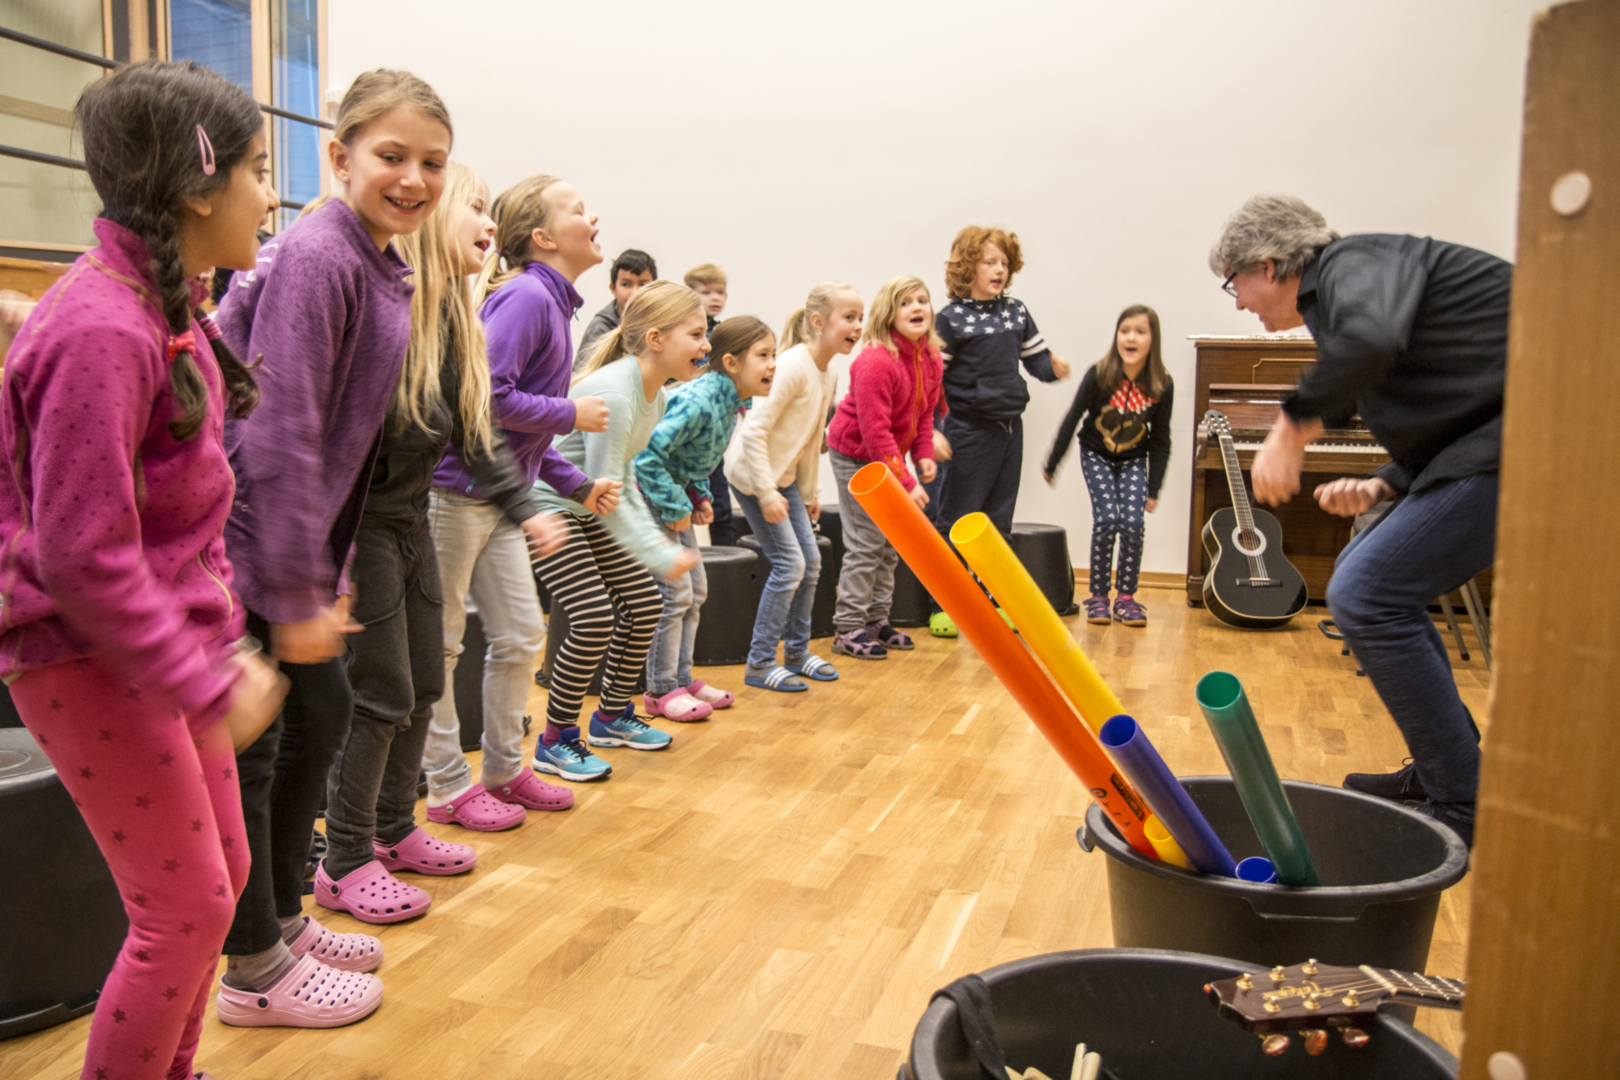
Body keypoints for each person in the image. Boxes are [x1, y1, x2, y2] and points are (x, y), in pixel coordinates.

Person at [0, 60, 285, 1079]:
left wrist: (209, 643)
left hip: (150, 649)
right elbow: (80, 555)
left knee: (224, 876)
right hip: (83, 656)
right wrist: (205, 671)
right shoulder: (100, 326)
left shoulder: (155, 303)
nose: (271, 194)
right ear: (197, 186)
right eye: (258, 169)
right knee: (184, 911)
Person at [213, 68, 452, 1027]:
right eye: (391, 156)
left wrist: (324, 572)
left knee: (320, 714)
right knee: (264, 744)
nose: (413, 178)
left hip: (298, 544)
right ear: (340, 153)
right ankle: (254, 969)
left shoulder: (374, 253)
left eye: (431, 162)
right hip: (252, 538)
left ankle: (279, 914)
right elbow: (279, 433)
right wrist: (297, 584)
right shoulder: (323, 255)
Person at [1213, 194, 1512, 848]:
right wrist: (1384, 481)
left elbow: (1373, 341)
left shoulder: (1354, 261)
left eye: (1235, 282)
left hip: (1527, 441)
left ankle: (1461, 797)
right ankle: (1446, 770)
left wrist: (1291, 427)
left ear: (1269, 264)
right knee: (1360, 577)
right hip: (1491, 442)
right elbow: (1458, 408)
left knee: (1365, 591)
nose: (1237, 301)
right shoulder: (1343, 296)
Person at [317, 163, 565, 924]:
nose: (489, 223)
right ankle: (345, 858)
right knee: (382, 693)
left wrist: (527, 506)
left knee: (425, 682)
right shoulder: (389, 308)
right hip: (364, 529)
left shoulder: (457, 315)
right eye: (477, 208)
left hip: (409, 521)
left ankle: (396, 827)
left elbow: (477, 436)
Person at [422, 173, 618, 827]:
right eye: (579, 209)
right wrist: (569, 412)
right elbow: (485, 399)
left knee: (520, 634)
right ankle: (448, 785)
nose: (594, 217)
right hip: (457, 493)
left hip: (503, 497)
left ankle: (505, 770)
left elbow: (520, 432)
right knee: (445, 645)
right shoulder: (529, 297)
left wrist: (576, 485)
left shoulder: (554, 303)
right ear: (541, 237)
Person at [529, 280, 706, 780]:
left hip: (591, 504)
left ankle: (610, 718)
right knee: (591, 616)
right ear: (656, 339)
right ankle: (556, 739)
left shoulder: (657, 398)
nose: (706, 345)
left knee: (646, 602)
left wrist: (654, 550)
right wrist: (657, 552)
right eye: (695, 334)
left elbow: (618, 484)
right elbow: (607, 493)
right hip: (549, 506)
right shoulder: (618, 394)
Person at [634, 315, 776, 720]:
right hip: (645, 494)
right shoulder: (700, 400)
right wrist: (677, 507)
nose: (772, 365)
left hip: (672, 494)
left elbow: (688, 457)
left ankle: (681, 677)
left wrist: (698, 495)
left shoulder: (730, 402)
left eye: (774, 355)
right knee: (673, 593)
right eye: (763, 355)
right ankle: (660, 689)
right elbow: (646, 456)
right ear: (731, 364)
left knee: (695, 590)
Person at [931, 225, 1070, 637]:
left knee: (999, 519)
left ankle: (997, 603)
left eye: (1004, 263)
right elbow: (933, 378)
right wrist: (933, 431)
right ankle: (947, 607)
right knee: (956, 518)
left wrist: (1053, 369)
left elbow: (1036, 359)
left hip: (1010, 430)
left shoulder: (1016, 312)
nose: (999, 270)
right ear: (967, 267)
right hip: (967, 432)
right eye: (989, 262)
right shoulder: (950, 319)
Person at [725, 282, 862, 691]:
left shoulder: (829, 371)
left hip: (782, 481)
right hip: (753, 477)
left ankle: (798, 653)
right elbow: (754, 432)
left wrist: (810, 492)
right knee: (790, 564)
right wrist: (767, 493)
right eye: (849, 317)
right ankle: (760, 663)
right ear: (818, 322)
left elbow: (810, 438)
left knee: (812, 562)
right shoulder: (791, 366)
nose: (857, 326)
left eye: (860, 318)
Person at [827, 275, 945, 659]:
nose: (917, 308)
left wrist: (924, 452)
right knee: (866, 543)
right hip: (856, 454)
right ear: (888, 314)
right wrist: (908, 481)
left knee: (890, 543)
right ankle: (848, 628)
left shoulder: (930, 358)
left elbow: (925, 413)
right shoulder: (876, 361)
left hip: (887, 458)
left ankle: (876, 621)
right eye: (905, 302)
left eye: (922, 300)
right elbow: (875, 433)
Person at [1043, 304, 1174, 627]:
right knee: (1107, 519)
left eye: (1140, 332)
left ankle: (1126, 598)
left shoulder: (1161, 385)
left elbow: (1161, 440)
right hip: (1096, 455)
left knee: (1131, 524)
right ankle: (1099, 596)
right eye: (1125, 330)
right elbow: (1073, 418)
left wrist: (1153, 488)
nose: (1131, 338)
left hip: (1133, 461)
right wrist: (1053, 462)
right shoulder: (1100, 375)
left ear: (1152, 340)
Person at [683, 262, 738, 545]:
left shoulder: (723, 333)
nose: (715, 298)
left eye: (721, 292)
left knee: (721, 510)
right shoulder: (687, 335)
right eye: (706, 292)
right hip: (689, 429)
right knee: (682, 509)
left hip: (713, 432)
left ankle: (727, 573)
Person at [578, 247, 656, 369]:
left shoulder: (665, 323)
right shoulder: (600, 329)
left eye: (643, 284)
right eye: (626, 284)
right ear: (613, 289)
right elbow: (582, 377)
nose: (635, 292)